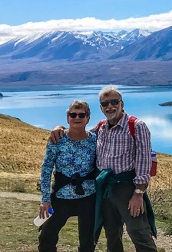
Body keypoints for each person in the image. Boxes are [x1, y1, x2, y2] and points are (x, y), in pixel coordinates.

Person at [50, 85, 157, 252]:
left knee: (138, 232)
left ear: (122, 104)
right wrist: (60, 129)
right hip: (104, 187)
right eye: (105, 103)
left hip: (127, 187)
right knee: (112, 232)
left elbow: (144, 161)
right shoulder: (101, 127)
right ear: (101, 107)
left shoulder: (136, 126)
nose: (110, 106)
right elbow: (79, 133)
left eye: (114, 102)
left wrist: (138, 193)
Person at [39, 100, 97, 252]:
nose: (77, 117)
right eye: (73, 114)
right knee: (46, 236)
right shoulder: (56, 140)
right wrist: (45, 199)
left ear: (88, 118)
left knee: (88, 242)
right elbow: (46, 169)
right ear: (67, 118)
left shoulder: (95, 140)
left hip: (88, 197)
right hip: (60, 196)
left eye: (81, 114)